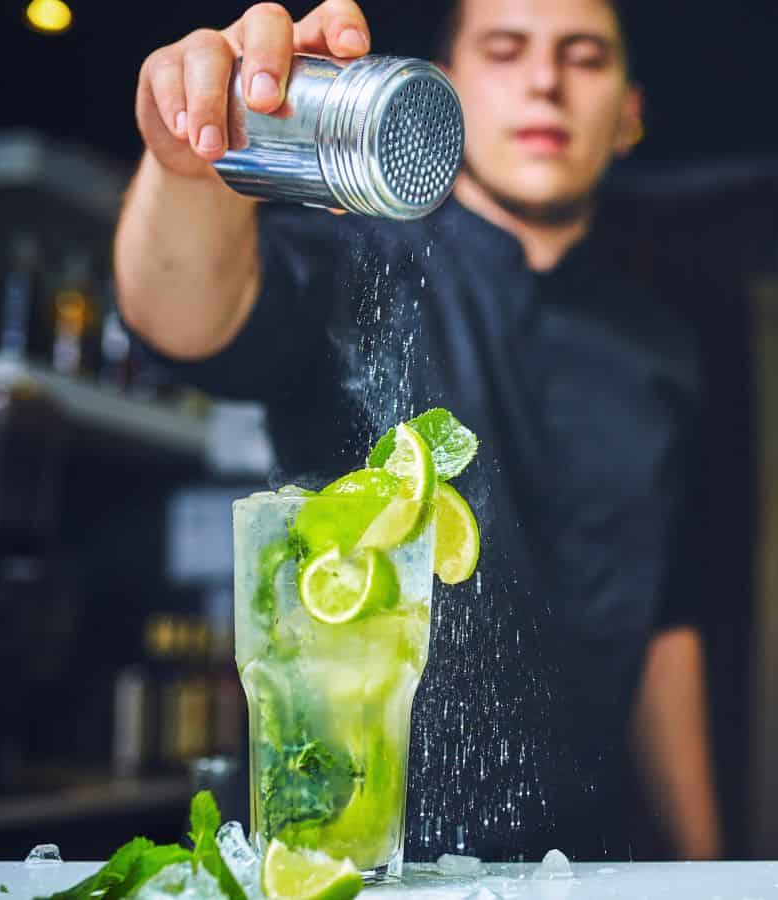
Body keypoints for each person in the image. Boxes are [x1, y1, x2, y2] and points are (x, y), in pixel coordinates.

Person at [116, 0, 722, 861]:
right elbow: (181, 320)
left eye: (584, 57)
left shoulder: (662, 344)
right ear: (450, 87)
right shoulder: (352, 255)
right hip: (363, 860)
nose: (545, 81)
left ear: (627, 113)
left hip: (588, 862)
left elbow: (668, 622)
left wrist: (707, 865)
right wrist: (188, 163)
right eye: (506, 51)